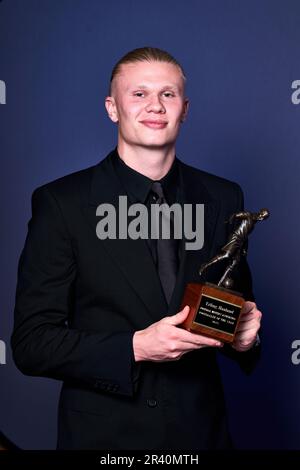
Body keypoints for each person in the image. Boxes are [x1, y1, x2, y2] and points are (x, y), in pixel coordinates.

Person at [11, 47, 262, 450]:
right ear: (113, 108)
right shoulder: (62, 203)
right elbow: (31, 343)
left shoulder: (224, 198)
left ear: (185, 109)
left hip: (201, 435)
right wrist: (134, 347)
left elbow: (230, 310)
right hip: (104, 439)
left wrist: (245, 339)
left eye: (168, 94)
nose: (155, 106)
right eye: (139, 94)